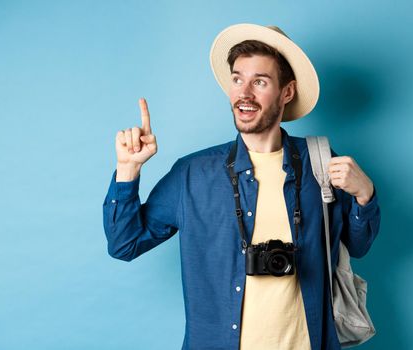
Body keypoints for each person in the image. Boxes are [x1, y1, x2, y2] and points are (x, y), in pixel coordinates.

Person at [102, 23, 380, 350]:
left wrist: (365, 194)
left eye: (259, 82)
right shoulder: (193, 174)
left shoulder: (320, 162)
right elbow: (124, 244)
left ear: (286, 92)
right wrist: (127, 169)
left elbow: (357, 247)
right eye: (237, 79)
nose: (243, 93)